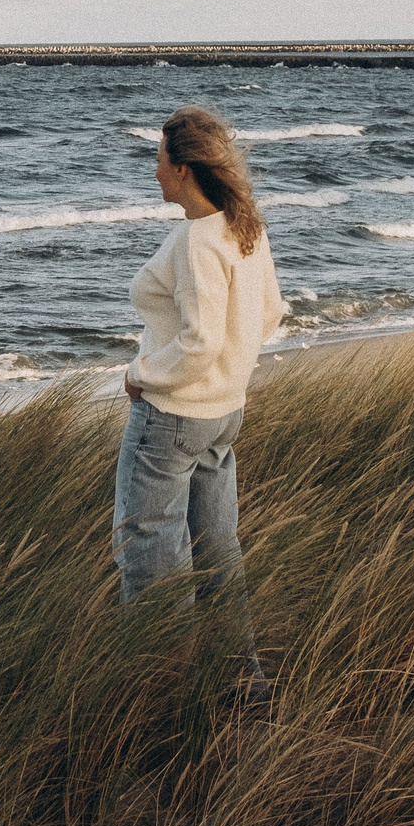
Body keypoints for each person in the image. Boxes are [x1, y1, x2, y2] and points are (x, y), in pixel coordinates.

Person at [116, 106, 286, 611]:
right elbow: (270, 312)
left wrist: (139, 375)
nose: (155, 171)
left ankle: (160, 680)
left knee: (150, 557)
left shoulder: (197, 240)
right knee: (218, 551)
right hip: (222, 414)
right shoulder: (244, 227)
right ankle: (237, 680)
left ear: (183, 169)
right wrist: (228, 376)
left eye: (160, 159)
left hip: (172, 417)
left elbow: (200, 342)